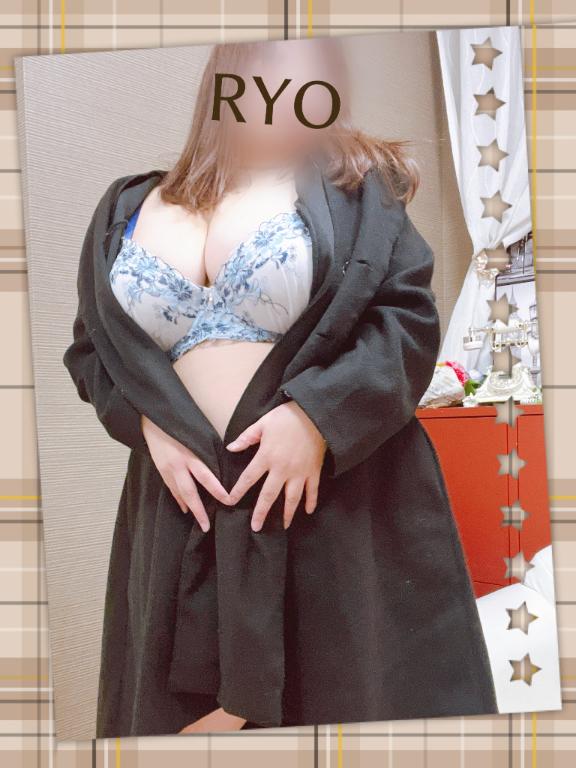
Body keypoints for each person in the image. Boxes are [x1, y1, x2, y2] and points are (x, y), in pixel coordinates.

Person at [64, 39, 497, 737]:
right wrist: (146, 426)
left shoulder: (358, 188)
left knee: (341, 708)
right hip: (182, 513)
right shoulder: (126, 206)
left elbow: (408, 323)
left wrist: (317, 417)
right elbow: (92, 351)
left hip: (332, 502)